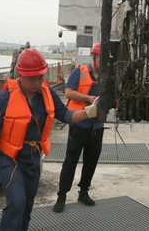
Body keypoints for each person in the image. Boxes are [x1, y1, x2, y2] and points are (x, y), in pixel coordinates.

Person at [0, 48, 98, 231]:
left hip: (32, 158)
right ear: (20, 75)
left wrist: (88, 112)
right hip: (8, 159)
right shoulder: (5, 97)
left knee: (27, 205)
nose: (37, 82)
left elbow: (65, 115)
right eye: (32, 78)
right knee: (17, 203)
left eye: (40, 77)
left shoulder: (46, 93)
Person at [52, 42, 106, 213]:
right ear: (94, 57)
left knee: (91, 161)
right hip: (79, 124)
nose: (104, 63)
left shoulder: (106, 76)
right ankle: (61, 196)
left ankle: (83, 192)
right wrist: (88, 99)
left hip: (97, 126)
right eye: (102, 59)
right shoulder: (80, 72)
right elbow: (68, 92)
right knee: (71, 160)